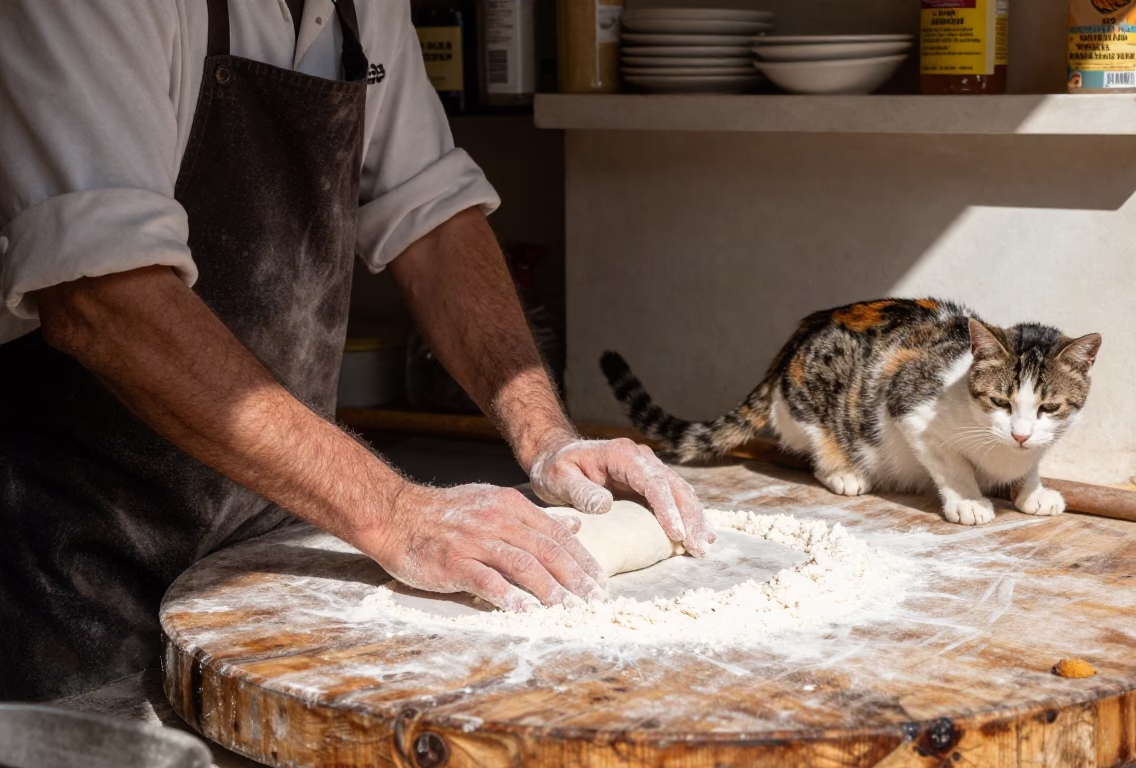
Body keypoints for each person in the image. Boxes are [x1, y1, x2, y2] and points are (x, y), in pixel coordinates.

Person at [0, 0, 713, 702]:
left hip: (268, 548)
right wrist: (396, 511)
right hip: (69, 568)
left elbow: (433, 226)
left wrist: (549, 438)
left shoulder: (363, 7)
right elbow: (106, 301)